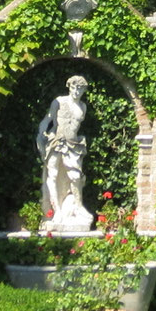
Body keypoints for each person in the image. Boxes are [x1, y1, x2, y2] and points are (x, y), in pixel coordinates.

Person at [36, 76, 94, 233]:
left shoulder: (83, 107)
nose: (76, 91)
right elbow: (46, 120)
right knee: (52, 175)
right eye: (74, 88)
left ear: (83, 90)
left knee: (75, 177)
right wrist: (42, 132)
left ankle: (78, 206)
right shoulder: (59, 102)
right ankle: (57, 212)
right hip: (56, 141)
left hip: (73, 145)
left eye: (80, 89)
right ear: (69, 87)